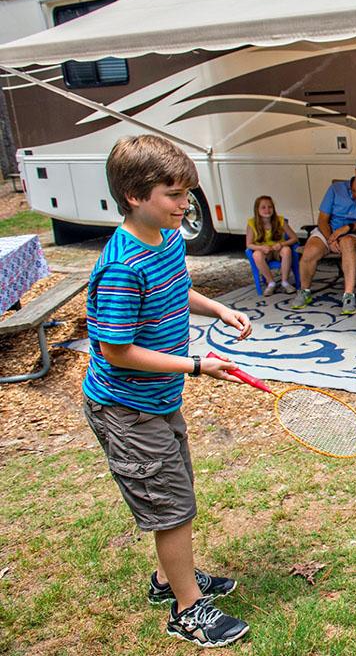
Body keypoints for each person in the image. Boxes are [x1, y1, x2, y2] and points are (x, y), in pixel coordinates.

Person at [82, 135, 253, 648]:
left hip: (157, 400)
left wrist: (219, 309)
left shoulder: (167, 238)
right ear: (135, 195)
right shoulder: (121, 266)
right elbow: (116, 350)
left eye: (187, 194)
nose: (185, 205)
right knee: (171, 506)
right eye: (174, 195)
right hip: (125, 407)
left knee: (176, 493)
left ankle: (169, 580)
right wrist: (197, 365)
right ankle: (186, 610)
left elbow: (177, 287)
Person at [292, 157, 356, 315]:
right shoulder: (336, 188)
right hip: (328, 230)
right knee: (310, 251)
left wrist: (347, 228)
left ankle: (348, 296)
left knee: (347, 243)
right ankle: (304, 291)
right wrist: (331, 238)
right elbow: (322, 219)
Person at [246, 195, 298, 295]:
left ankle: (285, 282)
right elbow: (249, 244)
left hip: (278, 250)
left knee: (287, 250)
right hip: (265, 252)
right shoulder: (252, 223)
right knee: (256, 254)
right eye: (263, 207)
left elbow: (294, 238)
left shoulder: (280, 220)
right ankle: (271, 282)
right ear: (257, 209)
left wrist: (281, 244)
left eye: (270, 207)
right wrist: (260, 247)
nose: (267, 210)